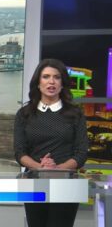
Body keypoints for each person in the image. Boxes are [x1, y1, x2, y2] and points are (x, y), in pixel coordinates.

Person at [13, 58, 88, 227]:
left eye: (57, 77)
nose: (51, 81)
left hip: (67, 184)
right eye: (46, 76)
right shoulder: (24, 114)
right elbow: (19, 151)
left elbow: (82, 152)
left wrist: (56, 170)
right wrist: (40, 169)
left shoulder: (75, 113)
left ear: (62, 84)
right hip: (34, 182)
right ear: (38, 82)